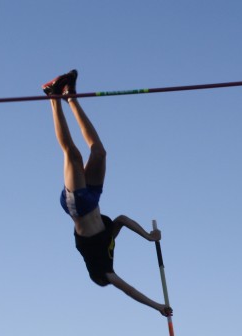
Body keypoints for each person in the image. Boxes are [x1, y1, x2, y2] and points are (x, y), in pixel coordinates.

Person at [43, 69, 172, 317]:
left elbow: (128, 289)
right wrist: (148, 236)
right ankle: (70, 96)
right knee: (100, 152)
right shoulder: (108, 245)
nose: (113, 279)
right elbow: (122, 219)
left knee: (72, 153)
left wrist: (158, 307)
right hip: (93, 197)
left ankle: (52, 97)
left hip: (77, 205)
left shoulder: (102, 270)